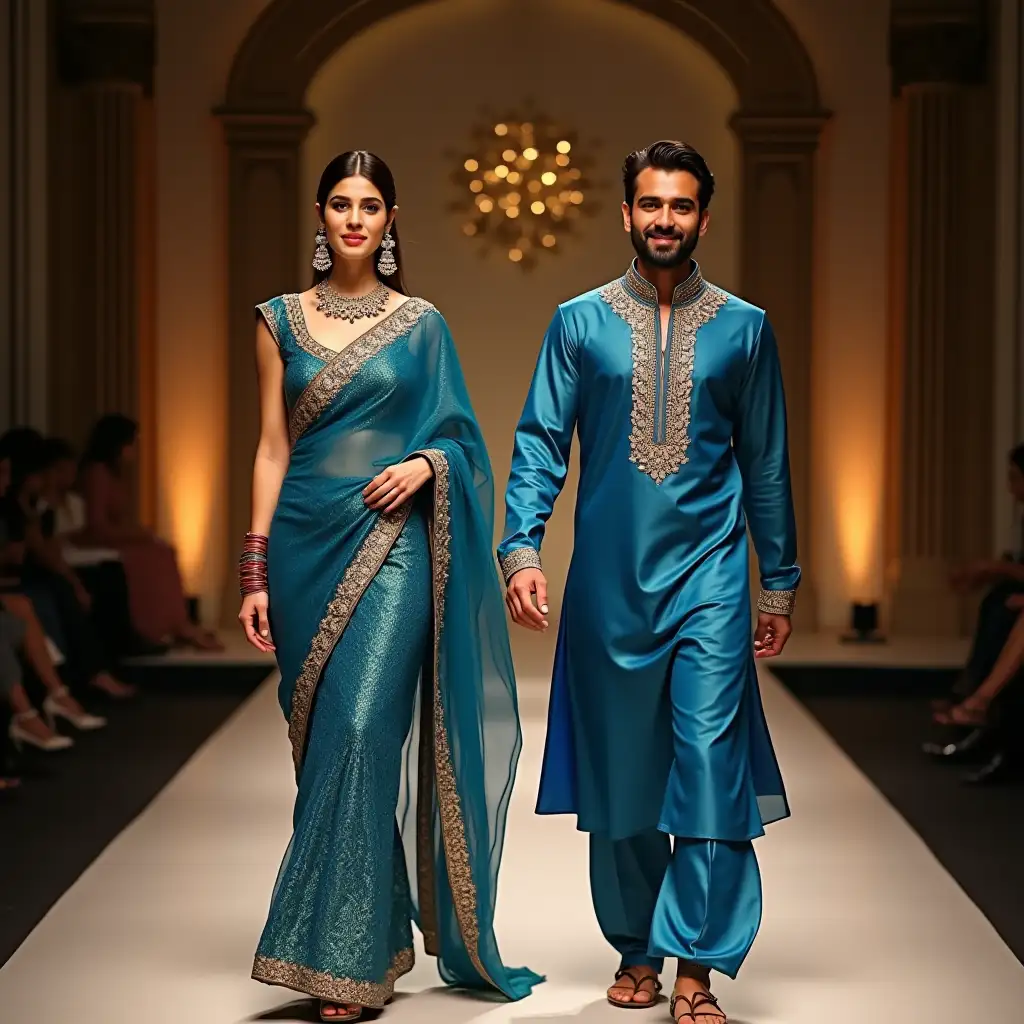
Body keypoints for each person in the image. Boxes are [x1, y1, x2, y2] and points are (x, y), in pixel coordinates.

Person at [499, 141, 799, 1022]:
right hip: (609, 587)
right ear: (625, 214)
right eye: (650, 204)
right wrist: (521, 549)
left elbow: (768, 463)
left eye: (681, 205)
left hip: (709, 577)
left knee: (710, 764)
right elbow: (541, 443)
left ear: (704, 217)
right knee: (623, 774)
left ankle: (697, 966)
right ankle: (637, 947)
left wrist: (775, 582)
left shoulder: (745, 328)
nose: (665, 219)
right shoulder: (578, 322)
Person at [238, 151, 540, 1022]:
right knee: (330, 745)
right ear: (321, 217)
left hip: (395, 543)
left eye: (371, 205)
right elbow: (269, 447)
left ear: (392, 220)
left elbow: (464, 444)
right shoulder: (277, 321)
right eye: (340, 203)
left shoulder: (422, 324)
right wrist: (255, 568)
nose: (355, 219)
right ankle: (365, 942)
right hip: (302, 546)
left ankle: (337, 958)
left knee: (369, 727)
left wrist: (424, 464)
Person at [76, 415, 221, 651]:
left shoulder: (116, 476)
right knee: (151, 557)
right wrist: (136, 536)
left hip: (110, 538)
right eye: (133, 443)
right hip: (91, 540)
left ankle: (178, 624)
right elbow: (96, 526)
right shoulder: (97, 473)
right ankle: (159, 627)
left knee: (162, 551)